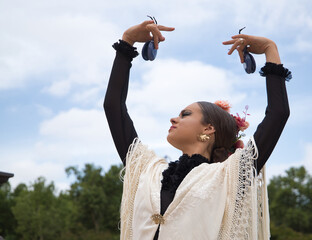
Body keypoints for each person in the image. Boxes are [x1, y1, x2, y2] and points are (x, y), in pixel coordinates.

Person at [104, 19, 291, 240]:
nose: (174, 118)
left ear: (209, 128)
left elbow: (278, 113)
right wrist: (127, 41)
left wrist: (270, 49)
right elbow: (113, 107)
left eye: (185, 114)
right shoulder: (147, 170)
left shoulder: (230, 175)